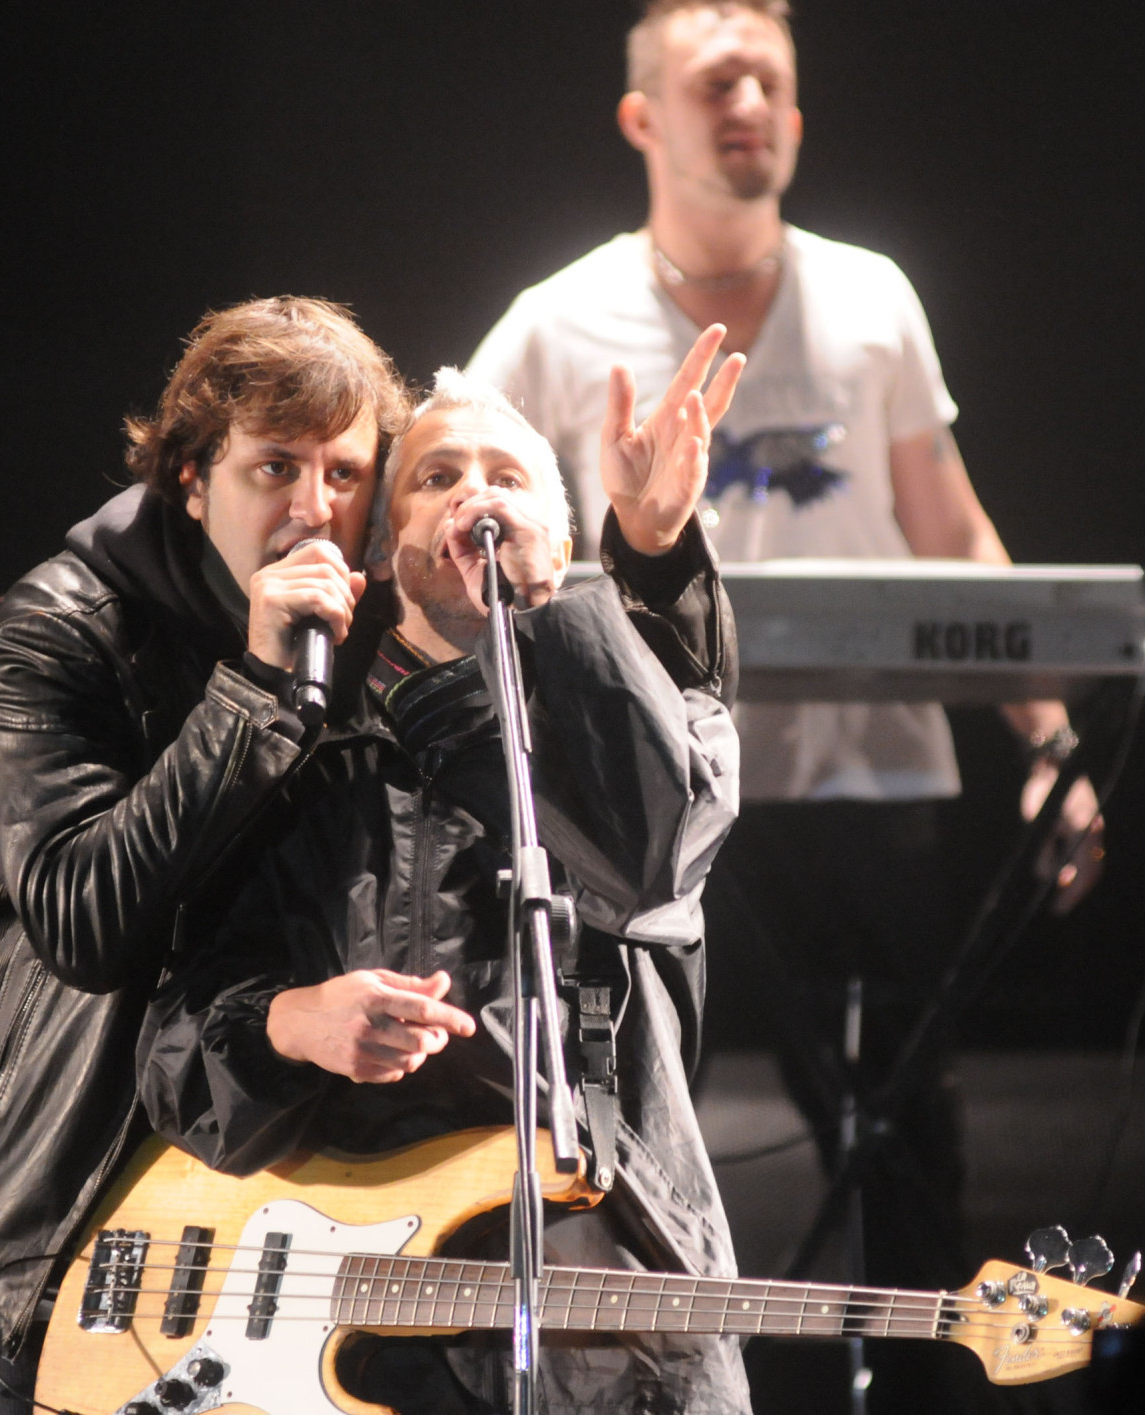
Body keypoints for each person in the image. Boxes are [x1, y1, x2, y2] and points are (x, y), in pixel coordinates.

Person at [466, 0, 1103, 1342]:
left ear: (799, 118)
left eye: (771, 80)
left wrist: (1049, 740)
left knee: (903, 1123)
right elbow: (469, 514)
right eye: (716, 80)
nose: (748, 101)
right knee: (632, 1114)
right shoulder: (557, 321)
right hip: (653, 807)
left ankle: (935, 1359)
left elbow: (949, 530)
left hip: (868, 786)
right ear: (644, 117)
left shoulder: (872, 296)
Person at [135, 328, 752, 1413]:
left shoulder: (672, 724)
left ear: (559, 547)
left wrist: (642, 552)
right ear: (382, 549)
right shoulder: (306, 757)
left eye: (509, 477)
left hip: (612, 1317)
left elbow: (648, 864)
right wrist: (295, 1019)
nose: (478, 496)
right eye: (438, 475)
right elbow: (176, 1041)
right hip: (363, 1338)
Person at [0, 296, 411, 1411]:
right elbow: (88, 923)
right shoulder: (58, 630)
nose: (313, 509)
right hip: (49, 1204)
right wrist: (253, 690)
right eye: (273, 469)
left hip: (247, 1206)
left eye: (344, 471)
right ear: (191, 477)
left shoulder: (372, 632)